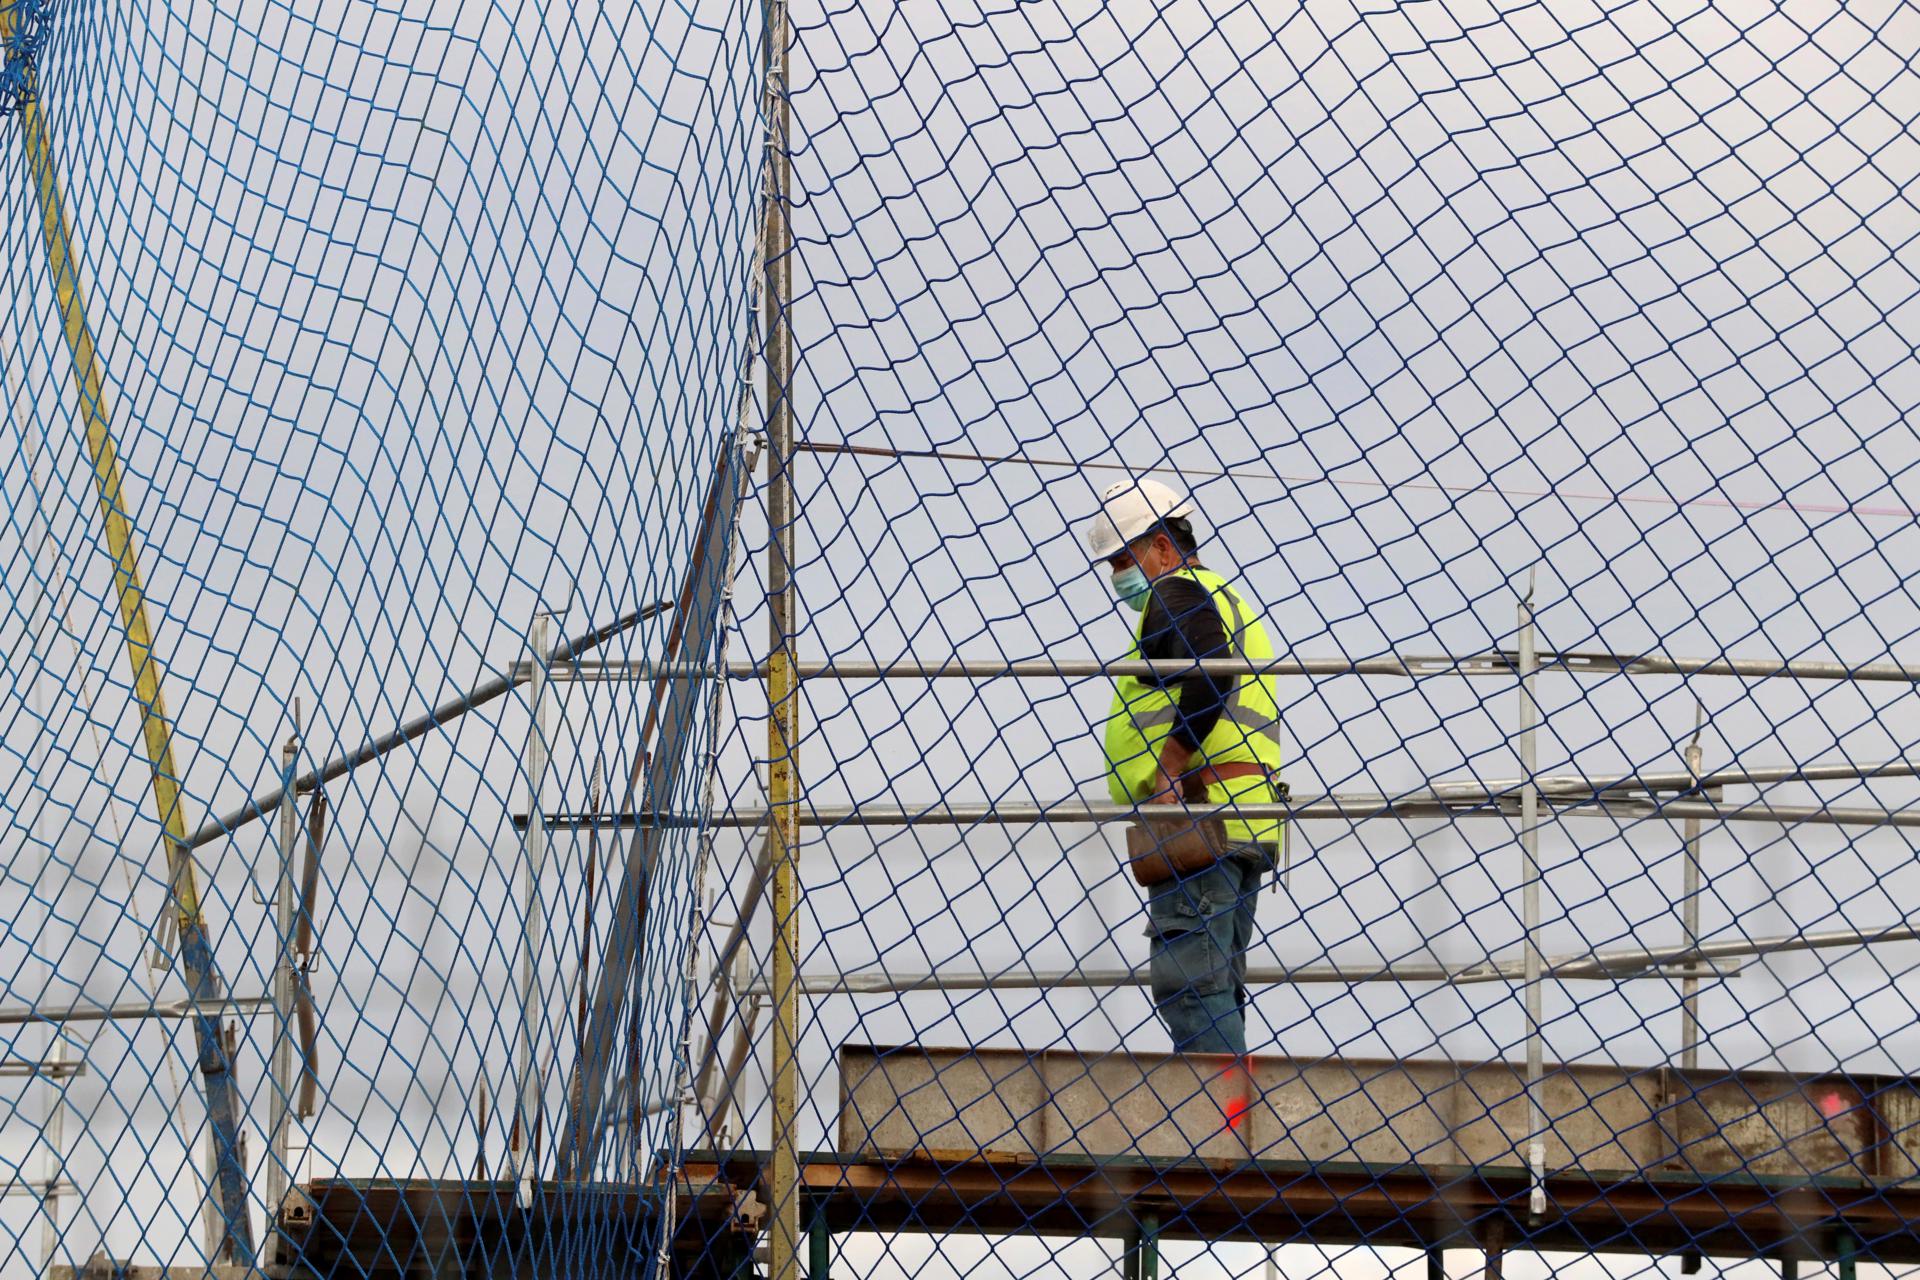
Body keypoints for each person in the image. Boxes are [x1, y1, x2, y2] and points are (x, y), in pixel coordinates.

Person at [1085, 477, 1284, 1055]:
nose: (1118, 574)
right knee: (1216, 982)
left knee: (1191, 987)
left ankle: (1218, 1133)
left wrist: (1171, 764)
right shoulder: (1226, 598)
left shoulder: (1175, 594)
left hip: (1200, 816)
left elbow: (1210, 675)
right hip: (1243, 816)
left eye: (1124, 558)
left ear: (1164, 548)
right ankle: (1233, 1118)